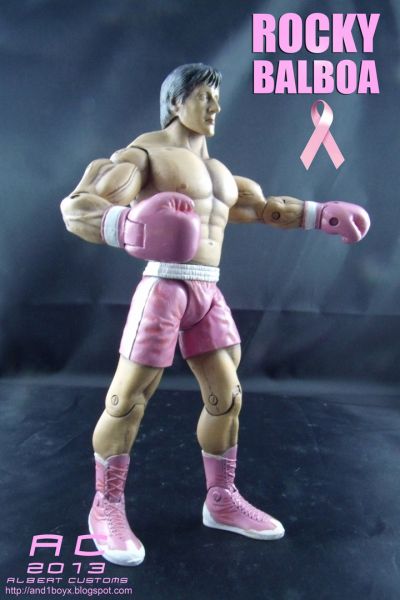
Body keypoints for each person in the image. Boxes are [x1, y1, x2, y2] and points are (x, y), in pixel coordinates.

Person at [60, 63, 370, 567]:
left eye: (217, 97)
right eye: (205, 96)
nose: (216, 106)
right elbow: (78, 207)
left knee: (228, 397)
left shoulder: (221, 174)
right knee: (127, 398)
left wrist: (322, 214)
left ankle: (220, 500)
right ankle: (106, 504)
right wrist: (128, 227)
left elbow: (265, 208)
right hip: (163, 286)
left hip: (208, 290)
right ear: (176, 101)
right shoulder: (144, 155)